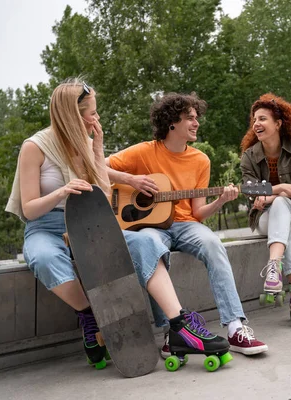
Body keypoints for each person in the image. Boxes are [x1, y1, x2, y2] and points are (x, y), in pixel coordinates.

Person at [6, 79, 229, 370]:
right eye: (92, 113)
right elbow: (29, 208)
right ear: (71, 115)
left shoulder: (86, 143)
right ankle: (91, 317)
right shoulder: (34, 147)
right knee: (44, 258)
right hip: (46, 226)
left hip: (90, 223)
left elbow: (101, 188)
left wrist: (97, 150)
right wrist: (61, 192)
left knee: (147, 241)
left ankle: (179, 326)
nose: (96, 119)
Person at [106, 92, 268, 356]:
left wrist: (220, 202)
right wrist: (132, 180)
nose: (196, 123)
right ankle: (173, 332)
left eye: (196, 118)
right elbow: (96, 167)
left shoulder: (200, 160)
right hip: (149, 226)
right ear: (171, 122)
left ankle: (236, 327)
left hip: (185, 224)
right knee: (149, 248)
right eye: (190, 118)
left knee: (213, 243)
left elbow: (198, 212)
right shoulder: (144, 151)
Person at [239, 93, 291, 319]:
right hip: (263, 219)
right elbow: (248, 188)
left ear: (278, 123)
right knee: (284, 214)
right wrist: (281, 188)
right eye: (254, 120)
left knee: (282, 204)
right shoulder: (249, 156)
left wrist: (271, 195)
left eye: (262, 119)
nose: (256, 124)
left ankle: (273, 266)